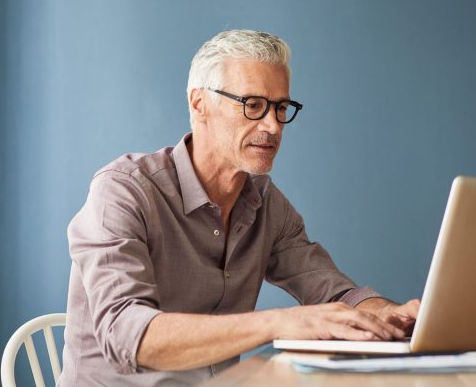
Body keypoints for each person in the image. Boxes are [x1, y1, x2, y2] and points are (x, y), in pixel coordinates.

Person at [59, 29, 419, 386]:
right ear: (199, 103)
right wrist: (279, 323)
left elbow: (333, 293)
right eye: (253, 105)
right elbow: (126, 335)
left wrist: (389, 315)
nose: (273, 126)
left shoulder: (264, 201)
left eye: (280, 107)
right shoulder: (124, 190)